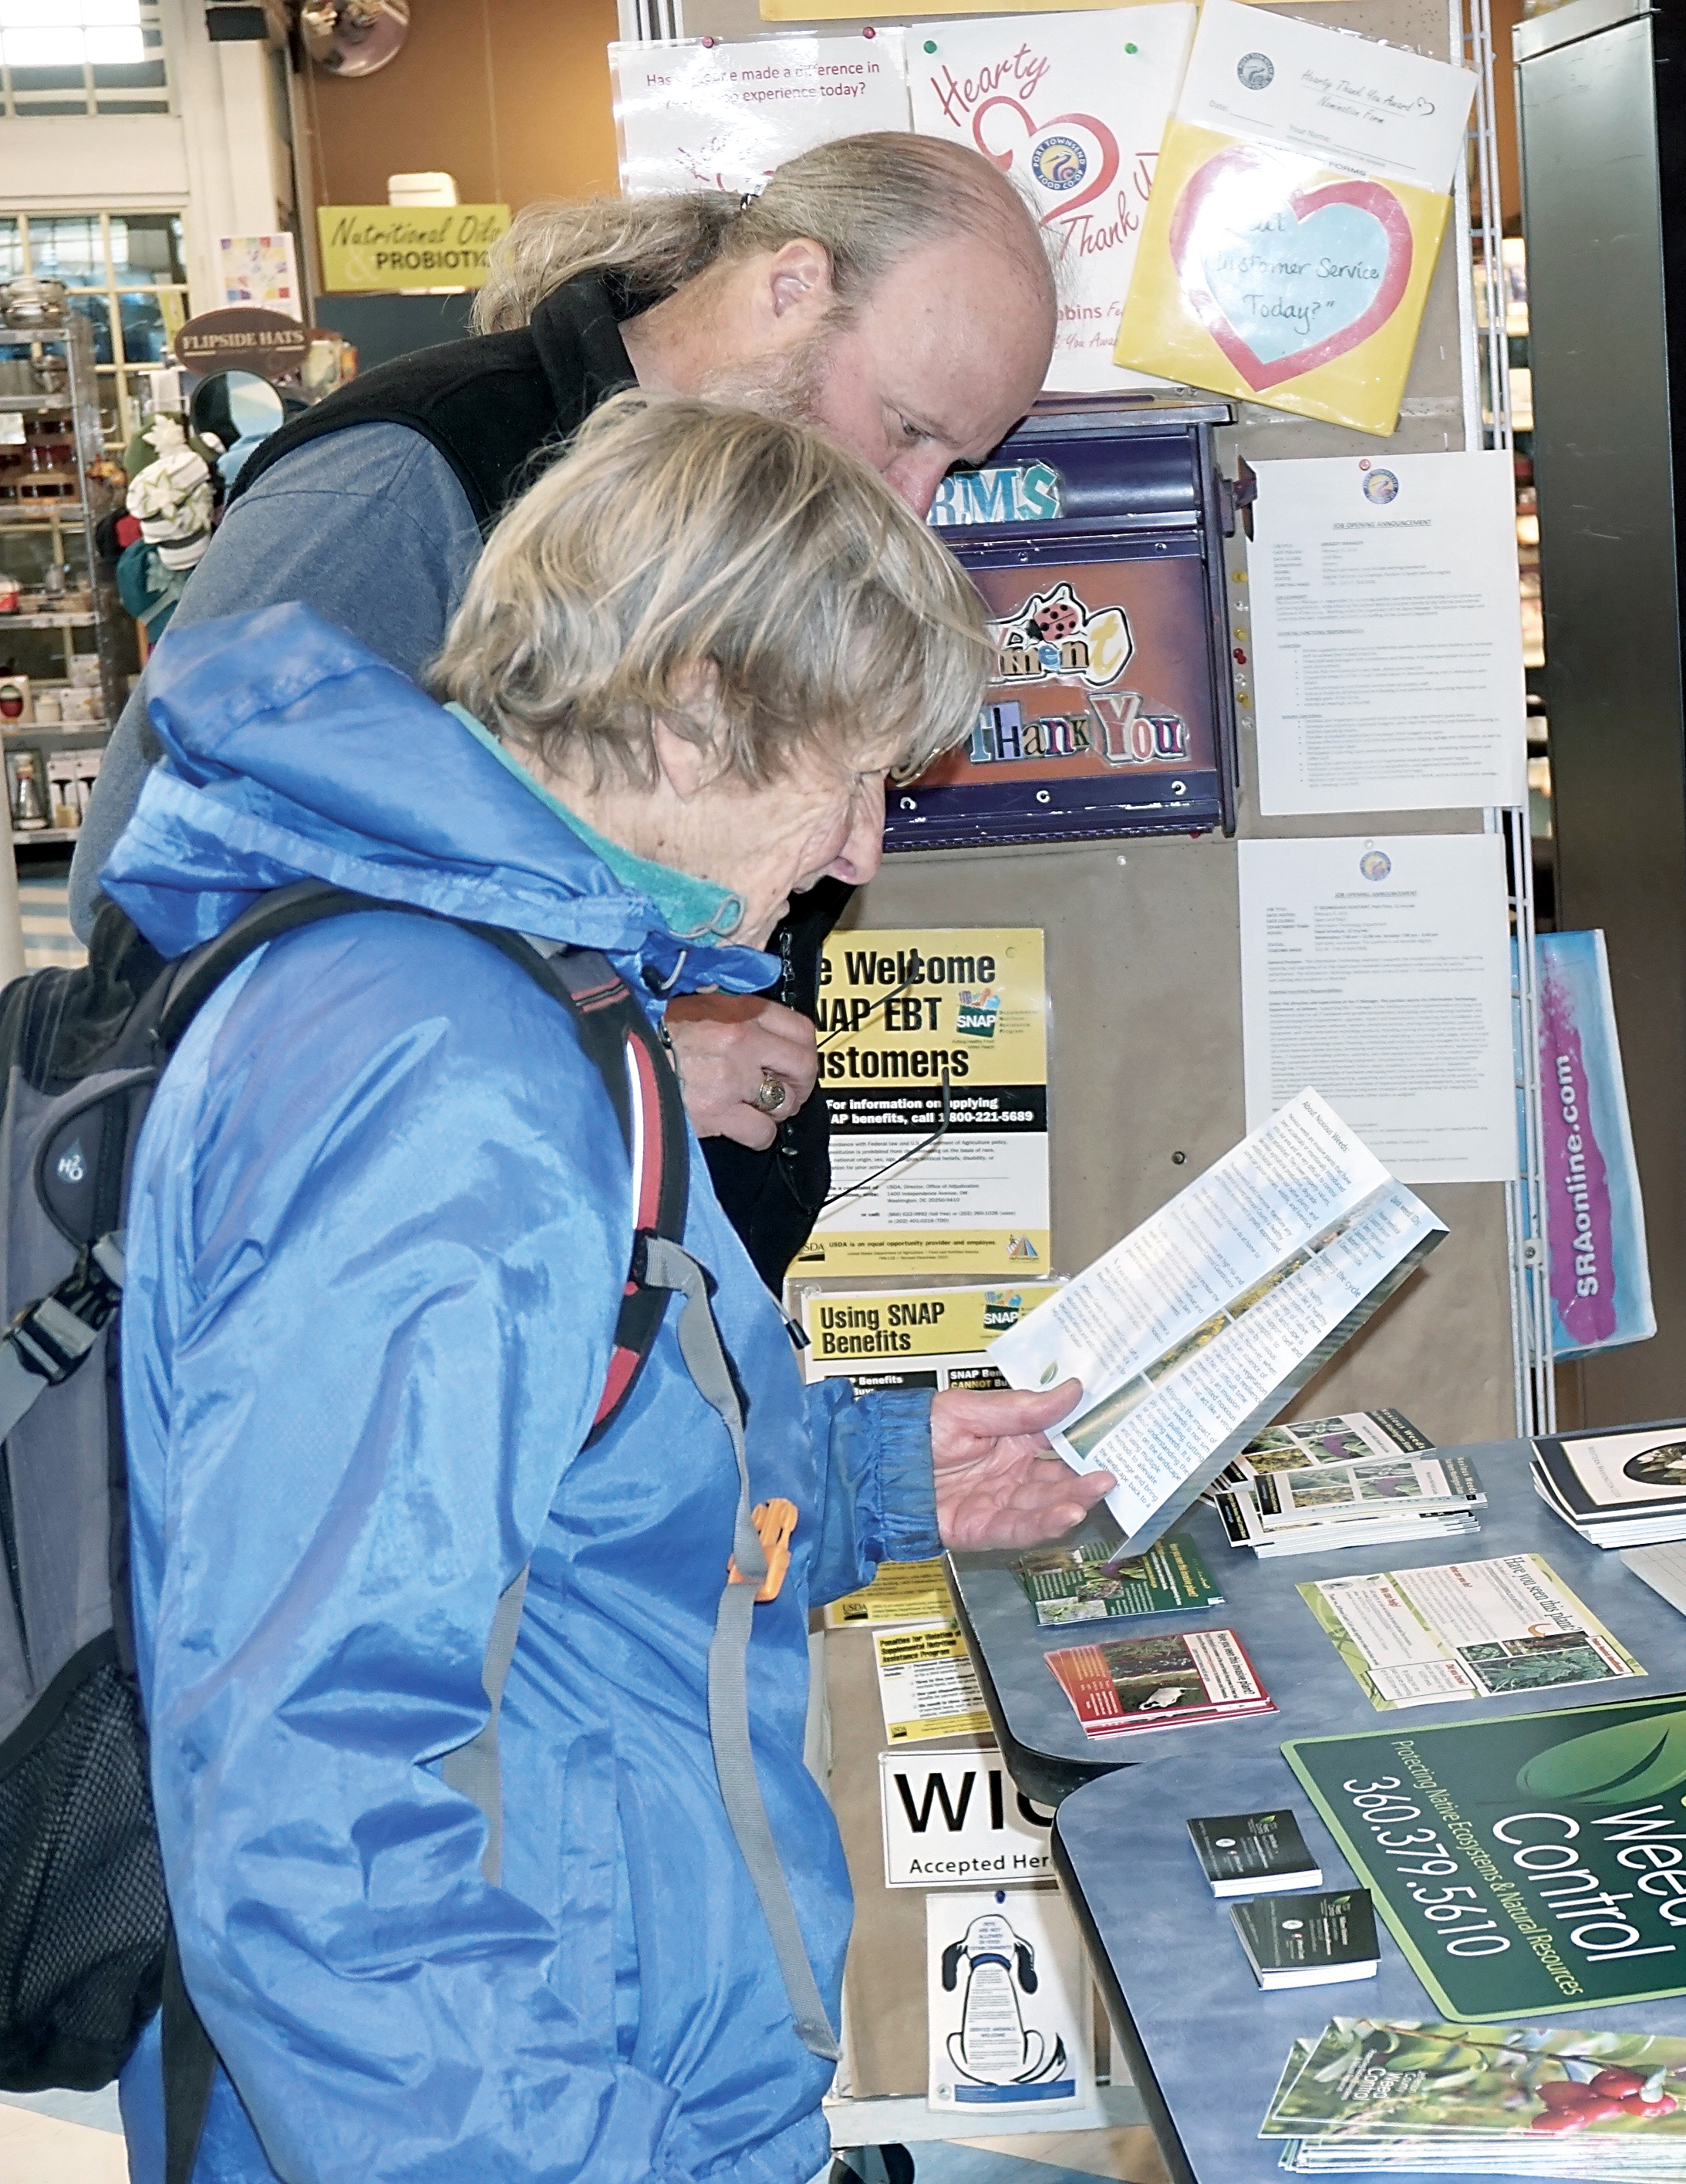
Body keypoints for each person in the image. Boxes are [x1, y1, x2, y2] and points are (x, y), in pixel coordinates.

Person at [106, 394, 1102, 2184]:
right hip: (533, 2113)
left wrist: (886, 1479)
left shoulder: (519, 991)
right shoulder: (449, 1076)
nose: (867, 848)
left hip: (615, 2067)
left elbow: (578, 1492)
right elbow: (315, 1798)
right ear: (696, 698)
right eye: (856, 774)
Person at [70, 131, 1057, 1284]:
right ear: (791, 288)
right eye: (905, 429)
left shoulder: (754, 521)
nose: (912, 503)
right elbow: (154, 928)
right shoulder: (409, 477)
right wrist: (609, 1050)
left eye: (958, 465)